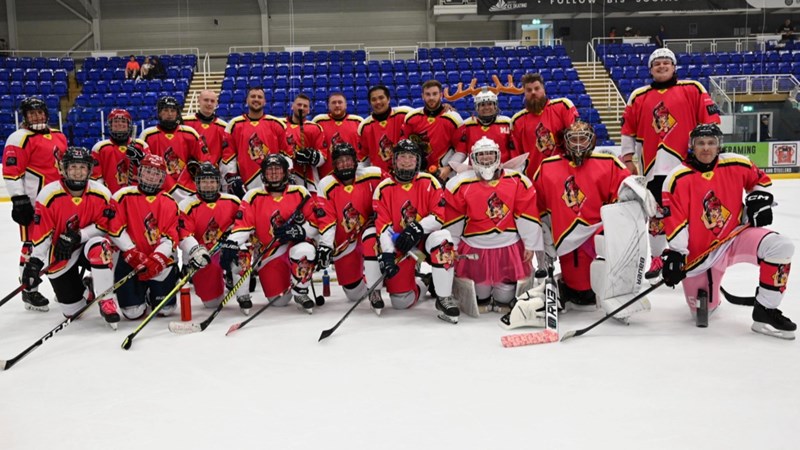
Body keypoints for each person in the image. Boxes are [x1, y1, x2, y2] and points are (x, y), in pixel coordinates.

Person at [661, 124, 795, 339]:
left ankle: (765, 310)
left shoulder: (736, 163)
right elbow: (676, 223)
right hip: (701, 254)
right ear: (692, 146)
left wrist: (758, 200)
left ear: (719, 145)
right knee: (704, 311)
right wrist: (677, 254)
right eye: (701, 143)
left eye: (711, 143)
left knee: (780, 246)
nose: (706, 148)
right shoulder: (677, 178)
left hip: (736, 237)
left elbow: (760, 181)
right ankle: (711, 292)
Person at [532, 121, 654, 318]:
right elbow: (537, 203)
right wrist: (543, 232)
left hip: (597, 230)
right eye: (573, 139)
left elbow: (624, 190)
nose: (578, 144)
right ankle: (569, 287)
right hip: (565, 233)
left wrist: (636, 190)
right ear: (565, 142)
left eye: (582, 139)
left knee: (600, 269)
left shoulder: (608, 163)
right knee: (577, 285)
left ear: (592, 140)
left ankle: (615, 291)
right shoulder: (548, 166)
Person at [620, 47, 721, 281]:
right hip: (653, 169)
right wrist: (627, 159)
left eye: (666, 62)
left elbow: (712, 123)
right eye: (657, 64)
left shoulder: (693, 89)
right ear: (650, 70)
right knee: (656, 215)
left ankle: (693, 255)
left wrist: (711, 153)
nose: (662, 66)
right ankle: (657, 257)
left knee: (692, 213)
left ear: (674, 67)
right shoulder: (638, 96)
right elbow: (627, 131)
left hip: (687, 167)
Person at [220, 154, 335, 314]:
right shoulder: (253, 196)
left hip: (293, 248)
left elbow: (316, 223)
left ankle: (301, 292)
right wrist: (231, 243)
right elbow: (242, 226)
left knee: (306, 250)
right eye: (270, 170)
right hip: (269, 253)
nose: (274, 174)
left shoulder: (300, 192)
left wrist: (299, 231)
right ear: (263, 174)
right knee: (279, 301)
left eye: (278, 170)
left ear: (286, 173)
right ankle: (243, 296)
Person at [21, 147, 120, 327]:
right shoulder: (48, 195)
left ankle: (106, 298)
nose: (78, 172)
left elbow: (105, 225)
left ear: (89, 169)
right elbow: (42, 233)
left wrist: (78, 236)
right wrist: (35, 262)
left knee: (101, 247)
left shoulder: (102, 193)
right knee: (74, 312)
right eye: (73, 167)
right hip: (61, 251)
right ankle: (90, 287)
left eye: (82, 167)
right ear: (64, 169)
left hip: (89, 244)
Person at [444, 137, 542, 315]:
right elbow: (454, 220)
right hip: (475, 246)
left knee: (504, 296)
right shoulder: (459, 184)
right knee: (480, 294)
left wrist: (530, 244)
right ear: (473, 158)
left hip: (508, 246)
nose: (486, 158)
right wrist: (453, 246)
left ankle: (501, 295)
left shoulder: (517, 181)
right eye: (481, 155)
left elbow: (525, 214)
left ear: (498, 156)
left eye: (490, 153)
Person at [373, 139, 459, 323]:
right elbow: (383, 226)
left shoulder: (430, 182)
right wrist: (388, 254)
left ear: (418, 160)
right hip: (402, 245)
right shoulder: (383, 188)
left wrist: (416, 228)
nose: (406, 161)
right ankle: (426, 282)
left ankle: (444, 297)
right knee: (401, 302)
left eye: (411, 157)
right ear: (394, 160)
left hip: (425, 244)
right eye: (402, 157)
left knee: (442, 238)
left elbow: (439, 217)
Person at [2, 97, 69, 312]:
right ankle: (29, 290)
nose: (37, 117)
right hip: (35, 204)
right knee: (32, 245)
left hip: (59, 202)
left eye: (40, 112)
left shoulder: (58, 135)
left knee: (63, 244)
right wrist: (19, 199)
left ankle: (66, 287)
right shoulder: (19, 137)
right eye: (32, 114)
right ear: (25, 117)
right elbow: (12, 171)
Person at [108, 154, 182, 319]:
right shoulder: (122, 196)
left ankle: (153, 290)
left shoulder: (169, 202)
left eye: (156, 173)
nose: (151, 176)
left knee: (166, 310)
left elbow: (170, 237)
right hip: (129, 258)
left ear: (162, 178)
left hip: (158, 260)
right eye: (148, 171)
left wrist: (157, 258)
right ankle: (138, 291)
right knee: (133, 313)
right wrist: (132, 252)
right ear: (140, 172)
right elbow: (115, 229)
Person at [317, 142, 384, 312]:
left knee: (372, 240)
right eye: (340, 161)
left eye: (348, 160)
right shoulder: (326, 184)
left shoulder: (374, 174)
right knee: (354, 294)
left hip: (371, 234)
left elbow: (393, 188)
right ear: (334, 164)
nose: (345, 164)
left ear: (355, 161)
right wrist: (325, 245)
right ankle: (371, 282)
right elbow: (327, 219)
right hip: (345, 242)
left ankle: (379, 286)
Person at [177, 162, 242, 311]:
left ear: (218, 182)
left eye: (212, 181)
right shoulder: (186, 204)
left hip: (227, 249)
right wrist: (196, 251)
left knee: (242, 253)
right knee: (212, 303)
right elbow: (184, 234)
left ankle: (235, 281)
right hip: (205, 254)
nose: (208, 185)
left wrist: (233, 234)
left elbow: (244, 226)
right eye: (204, 181)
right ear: (197, 183)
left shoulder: (232, 201)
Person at [139, 96, 209, 203]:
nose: (170, 114)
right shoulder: (147, 135)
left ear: (177, 113)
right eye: (166, 110)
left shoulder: (190, 133)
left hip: (187, 189)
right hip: (158, 188)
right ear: (159, 113)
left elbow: (204, 160)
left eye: (173, 110)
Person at [222, 86, 289, 198]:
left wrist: (287, 174)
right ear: (247, 100)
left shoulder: (277, 124)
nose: (256, 99)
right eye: (253, 96)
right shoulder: (234, 125)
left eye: (259, 97)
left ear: (264, 101)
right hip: (245, 183)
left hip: (274, 181)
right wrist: (233, 178)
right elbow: (228, 156)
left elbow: (287, 153)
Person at [511, 73, 578, 181]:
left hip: (565, 176)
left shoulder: (563, 106)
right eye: (529, 90)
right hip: (534, 179)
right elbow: (517, 158)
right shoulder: (517, 121)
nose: (533, 92)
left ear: (544, 89)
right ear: (524, 93)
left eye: (537, 88)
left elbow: (576, 140)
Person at [401, 79, 463, 182]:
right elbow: (403, 145)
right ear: (422, 96)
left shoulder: (453, 118)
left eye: (435, 94)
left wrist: (449, 168)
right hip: (417, 174)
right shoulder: (411, 117)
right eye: (427, 94)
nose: (431, 98)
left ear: (441, 95)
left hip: (444, 174)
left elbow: (461, 150)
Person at [91, 108, 150, 193]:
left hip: (137, 195)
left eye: (123, 121)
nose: (119, 124)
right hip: (111, 196)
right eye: (115, 121)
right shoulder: (100, 147)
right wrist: (105, 194)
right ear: (110, 125)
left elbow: (151, 171)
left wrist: (141, 159)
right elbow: (96, 178)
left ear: (129, 125)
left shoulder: (141, 145)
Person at [453, 89, 516, 163]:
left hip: (503, 168)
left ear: (495, 106)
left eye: (489, 104)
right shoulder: (467, 125)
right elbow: (461, 152)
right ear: (477, 107)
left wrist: (514, 167)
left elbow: (515, 150)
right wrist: (450, 166)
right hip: (475, 169)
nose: (486, 107)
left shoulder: (507, 123)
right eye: (482, 105)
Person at [357, 85, 410, 173]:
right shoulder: (364, 126)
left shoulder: (405, 114)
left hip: (407, 173)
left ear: (388, 99)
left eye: (381, 98)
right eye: (374, 99)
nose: (378, 102)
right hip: (380, 177)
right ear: (370, 103)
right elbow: (363, 159)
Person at [312, 92, 363, 178]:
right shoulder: (318, 122)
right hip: (326, 176)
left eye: (340, 102)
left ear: (345, 105)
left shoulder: (358, 121)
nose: (337, 105)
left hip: (354, 175)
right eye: (333, 102)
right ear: (328, 106)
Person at [285, 93, 326, 191]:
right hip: (283, 178)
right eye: (299, 105)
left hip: (308, 181)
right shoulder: (280, 125)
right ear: (292, 106)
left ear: (309, 110)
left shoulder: (315, 128)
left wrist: (312, 156)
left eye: (305, 106)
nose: (302, 108)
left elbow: (323, 155)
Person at [182, 90, 230, 167]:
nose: (209, 103)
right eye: (206, 100)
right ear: (199, 101)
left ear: (216, 103)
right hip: (189, 170)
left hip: (215, 171)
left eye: (212, 101)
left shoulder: (224, 127)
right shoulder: (184, 123)